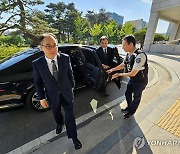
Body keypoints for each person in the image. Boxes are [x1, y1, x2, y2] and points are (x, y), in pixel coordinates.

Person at [32, 33, 82, 150]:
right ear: (41, 47)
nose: (53, 49)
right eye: (48, 46)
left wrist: (72, 86)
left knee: (70, 116)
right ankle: (59, 124)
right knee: (56, 113)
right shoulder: (37, 64)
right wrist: (42, 98)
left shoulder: (65, 58)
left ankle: (74, 138)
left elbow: (70, 74)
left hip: (67, 93)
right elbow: (38, 82)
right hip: (52, 95)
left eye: (55, 45)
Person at [107, 35, 148, 119]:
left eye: (124, 45)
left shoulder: (140, 56)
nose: (122, 47)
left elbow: (133, 73)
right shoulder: (129, 54)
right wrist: (113, 69)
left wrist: (119, 74)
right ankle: (129, 107)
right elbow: (123, 64)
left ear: (131, 44)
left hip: (140, 81)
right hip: (132, 79)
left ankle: (131, 112)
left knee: (136, 97)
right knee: (127, 94)